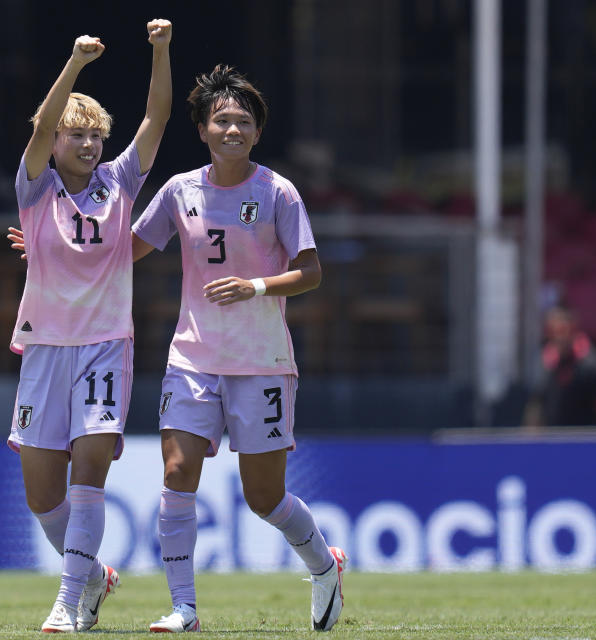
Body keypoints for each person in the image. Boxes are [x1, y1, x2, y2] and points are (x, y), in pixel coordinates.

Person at [131, 65, 346, 633]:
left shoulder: (278, 192)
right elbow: (125, 250)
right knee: (177, 471)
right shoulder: (180, 191)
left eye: (243, 122)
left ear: (256, 132)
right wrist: (59, 245)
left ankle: (324, 566)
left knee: (264, 497)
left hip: (262, 363)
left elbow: (311, 272)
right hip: (193, 358)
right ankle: (184, 608)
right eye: (221, 120)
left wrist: (253, 286)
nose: (233, 129)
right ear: (202, 128)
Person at [6, 20, 171, 633]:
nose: (88, 145)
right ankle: (95, 576)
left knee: (89, 471)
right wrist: (74, 64)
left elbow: (155, 120)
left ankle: (68, 603)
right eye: (77, 135)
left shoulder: (120, 184)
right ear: (54, 143)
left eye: (96, 136)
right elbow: (40, 127)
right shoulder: (35, 190)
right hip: (45, 348)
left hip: (105, 346)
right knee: (41, 495)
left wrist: (161, 51)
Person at [523, 305, 596, 428]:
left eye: (563, 330)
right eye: (553, 332)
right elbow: (535, 407)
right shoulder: (542, 364)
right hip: (553, 440)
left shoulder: (594, 365)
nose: (560, 337)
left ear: (574, 330)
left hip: (589, 439)